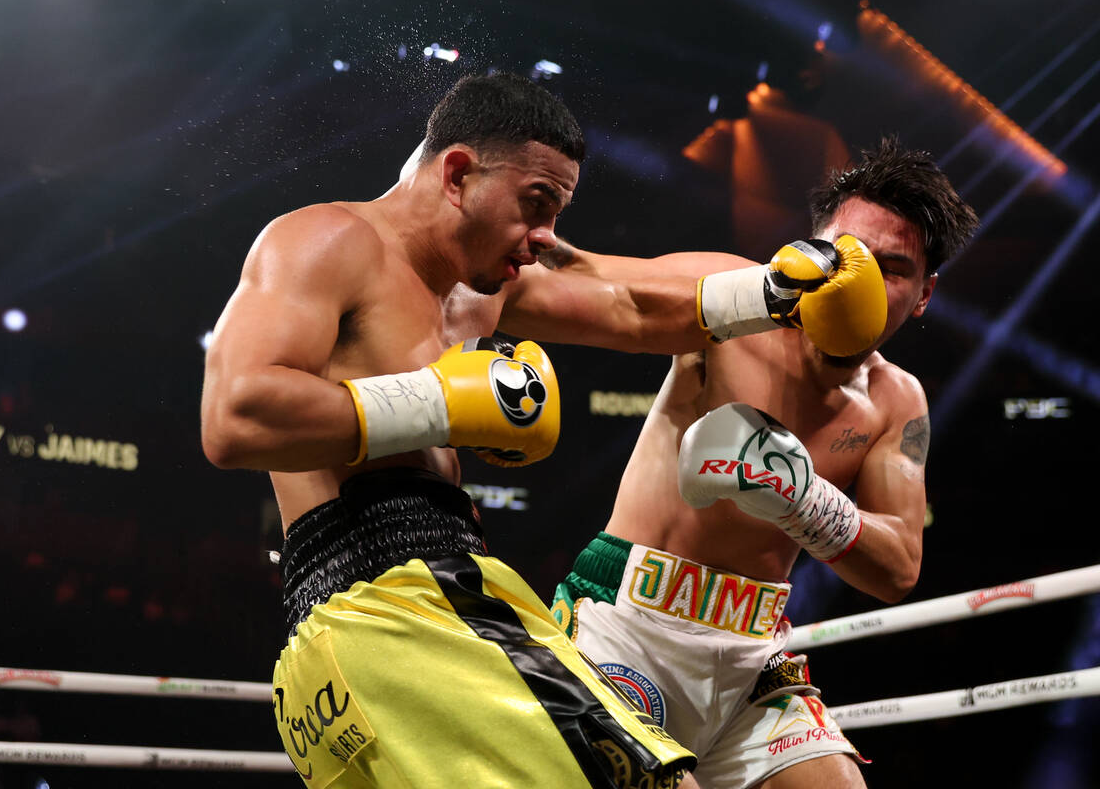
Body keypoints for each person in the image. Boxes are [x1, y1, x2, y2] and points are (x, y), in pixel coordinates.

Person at [200, 72, 883, 788]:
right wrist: (441, 404)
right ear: (459, 173)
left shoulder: (478, 290)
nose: (545, 236)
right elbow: (234, 415)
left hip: (349, 655)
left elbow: (629, 306)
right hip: (404, 604)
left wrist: (772, 292)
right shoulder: (328, 239)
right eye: (536, 203)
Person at [552, 137, 979, 789]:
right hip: (626, 625)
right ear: (813, 245)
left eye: (890, 269)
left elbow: (898, 567)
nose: (856, 280)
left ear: (924, 295)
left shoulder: (897, 401)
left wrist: (806, 500)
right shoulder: (737, 297)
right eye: (844, 255)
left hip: (755, 652)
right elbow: (599, 283)